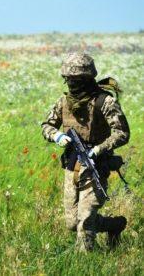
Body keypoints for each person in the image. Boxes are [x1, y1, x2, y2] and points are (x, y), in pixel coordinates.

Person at [41, 53, 130, 252]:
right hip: (72, 166)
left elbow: (122, 133)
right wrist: (56, 136)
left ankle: (86, 262)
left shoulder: (104, 102)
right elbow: (47, 125)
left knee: (86, 220)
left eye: (77, 80)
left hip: (96, 166)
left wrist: (99, 149)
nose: (72, 84)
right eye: (69, 80)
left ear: (87, 79)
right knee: (72, 223)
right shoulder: (63, 102)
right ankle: (115, 225)